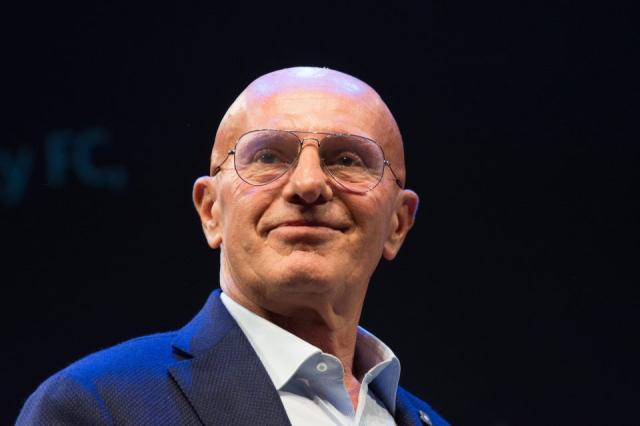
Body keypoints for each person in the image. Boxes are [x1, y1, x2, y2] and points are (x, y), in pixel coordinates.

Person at [17, 67, 449, 425]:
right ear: (211, 212)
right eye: (268, 156)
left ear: (397, 223)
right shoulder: (96, 407)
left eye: (347, 160)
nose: (308, 184)